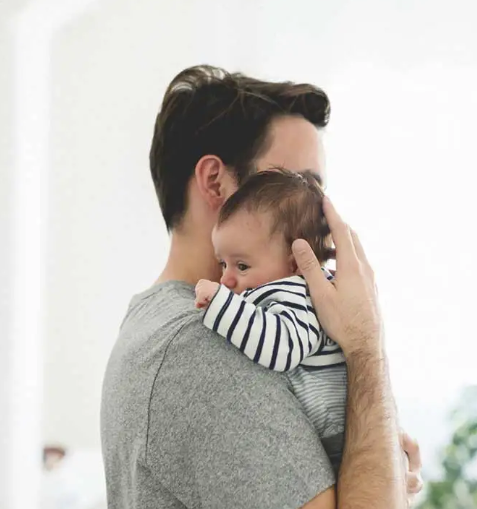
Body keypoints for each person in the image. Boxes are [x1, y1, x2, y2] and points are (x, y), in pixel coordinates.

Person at [100, 65, 422, 508]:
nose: (319, 217)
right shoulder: (206, 344)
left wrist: (376, 456)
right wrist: (367, 344)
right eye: (298, 184)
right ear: (215, 182)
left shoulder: (152, 322)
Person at [194, 169, 346, 472]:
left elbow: (283, 349)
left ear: (294, 263)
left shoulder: (296, 291)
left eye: (241, 265)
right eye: (223, 264)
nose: (226, 279)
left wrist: (220, 303)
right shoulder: (279, 288)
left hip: (337, 437)